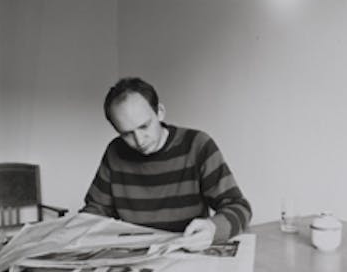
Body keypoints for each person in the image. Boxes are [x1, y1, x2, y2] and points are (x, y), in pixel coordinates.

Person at [81, 77, 252, 250]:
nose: (139, 140)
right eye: (127, 134)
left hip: (186, 250)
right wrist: (75, 230)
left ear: (160, 112)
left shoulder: (197, 145)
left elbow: (239, 207)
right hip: (134, 253)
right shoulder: (115, 151)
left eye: (144, 126)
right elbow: (95, 211)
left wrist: (213, 229)